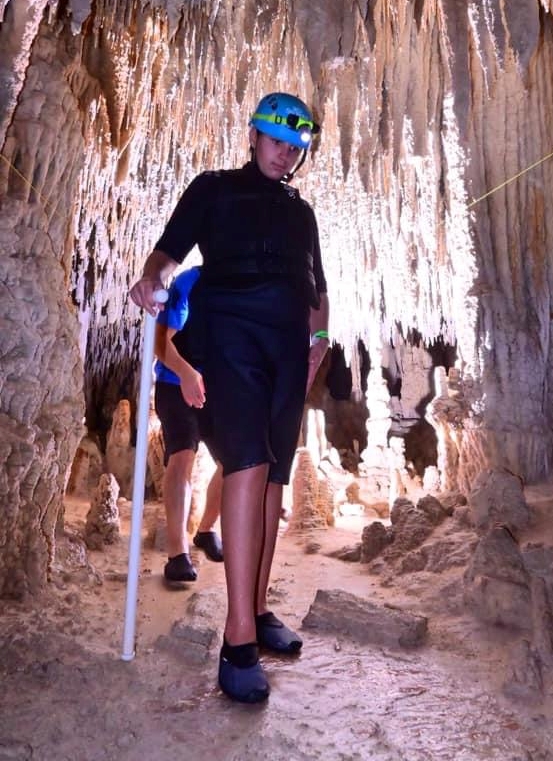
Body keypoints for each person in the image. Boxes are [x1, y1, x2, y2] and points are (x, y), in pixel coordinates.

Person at [130, 92, 329, 703]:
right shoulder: (214, 189)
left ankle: (259, 607)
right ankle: (238, 638)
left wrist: (319, 335)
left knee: (272, 475)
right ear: (253, 136)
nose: (285, 154)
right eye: (276, 141)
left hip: (287, 347)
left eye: (295, 147)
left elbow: (317, 284)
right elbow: (170, 250)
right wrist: (153, 279)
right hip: (230, 333)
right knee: (244, 462)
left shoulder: (302, 213)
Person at [153, 264, 224, 585]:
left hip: (216, 389)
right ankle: (177, 553)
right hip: (175, 382)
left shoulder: (243, 286)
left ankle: (206, 531)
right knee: (182, 455)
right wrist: (186, 373)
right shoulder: (190, 282)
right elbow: (160, 342)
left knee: (234, 462)